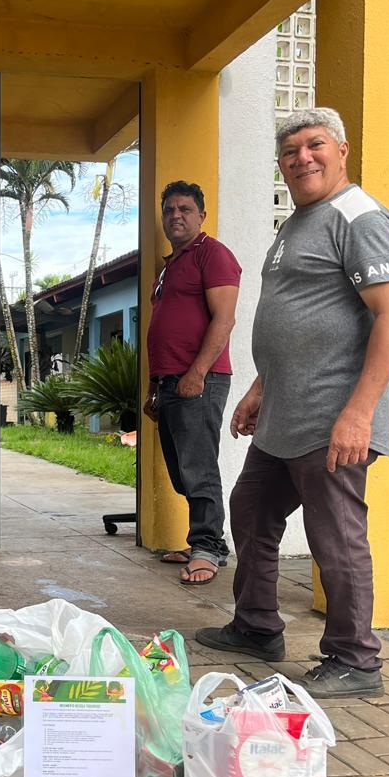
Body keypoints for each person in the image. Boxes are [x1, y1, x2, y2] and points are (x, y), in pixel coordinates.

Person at [196, 107, 389, 698]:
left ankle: (355, 659)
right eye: (290, 152)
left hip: (332, 415)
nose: (303, 159)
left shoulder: (359, 217)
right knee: (251, 510)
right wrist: (261, 388)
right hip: (285, 414)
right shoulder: (298, 223)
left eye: (315, 145)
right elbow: (295, 317)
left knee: (336, 538)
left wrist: (360, 410)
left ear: (341, 150)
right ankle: (257, 627)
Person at [142, 181, 240, 586]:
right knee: (183, 469)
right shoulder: (170, 265)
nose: (176, 215)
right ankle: (202, 537)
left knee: (198, 466)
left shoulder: (213, 255)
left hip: (199, 379)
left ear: (202, 215)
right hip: (169, 382)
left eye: (185, 209)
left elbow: (224, 319)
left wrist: (196, 373)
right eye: (169, 210)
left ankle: (209, 546)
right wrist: (155, 387)